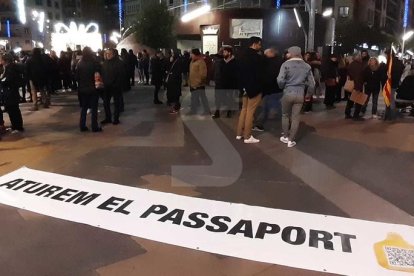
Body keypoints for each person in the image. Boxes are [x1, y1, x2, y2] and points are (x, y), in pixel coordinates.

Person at [277, 46, 315, 148]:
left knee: (285, 115)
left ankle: (285, 136)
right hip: (300, 94)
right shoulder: (307, 66)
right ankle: (291, 140)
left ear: (293, 53)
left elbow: (280, 80)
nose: (287, 54)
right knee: (295, 117)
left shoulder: (285, 64)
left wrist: (283, 86)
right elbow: (312, 84)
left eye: (289, 52)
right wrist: (308, 95)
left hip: (288, 92)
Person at [236, 36, 264, 144]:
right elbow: (260, 74)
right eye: (259, 44)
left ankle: (239, 134)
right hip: (254, 88)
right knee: (250, 112)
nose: (260, 46)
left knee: (244, 110)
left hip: (243, 88)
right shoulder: (257, 58)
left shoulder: (241, 56)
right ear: (255, 44)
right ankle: (247, 136)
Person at [253, 47, 283, 131]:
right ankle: (287, 123)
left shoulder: (270, 63)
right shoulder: (280, 61)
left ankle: (259, 124)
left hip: (270, 89)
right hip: (278, 89)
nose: (264, 56)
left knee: (266, 107)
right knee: (278, 107)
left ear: (271, 53)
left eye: (266, 54)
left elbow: (268, 76)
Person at [75, 47, 102, 132]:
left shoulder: (79, 63)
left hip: (82, 89)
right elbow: (98, 73)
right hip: (93, 88)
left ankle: (82, 125)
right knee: (94, 108)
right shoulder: (94, 62)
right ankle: (94, 126)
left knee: (84, 108)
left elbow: (76, 77)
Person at [0, 53, 24, 133]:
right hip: (11, 92)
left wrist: (2, 81)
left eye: (1, 59)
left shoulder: (10, 68)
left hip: (11, 92)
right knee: (12, 109)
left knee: (14, 110)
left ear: (5, 60)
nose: (1, 61)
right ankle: (15, 125)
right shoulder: (8, 67)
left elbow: (9, 79)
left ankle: (18, 127)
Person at [101, 48, 125, 125]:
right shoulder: (105, 63)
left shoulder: (119, 63)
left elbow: (121, 75)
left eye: (109, 54)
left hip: (115, 86)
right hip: (106, 86)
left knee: (116, 103)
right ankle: (108, 118)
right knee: (105, 102)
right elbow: (103, 74)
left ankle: (116, 118)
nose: (107, 55)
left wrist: (116, 84)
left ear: (113, 54)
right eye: (107, 54)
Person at [188, 48, 210, 115]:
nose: (190, 55)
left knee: (203, 98)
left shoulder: (201, 62)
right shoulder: (192, 61)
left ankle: (207, 111)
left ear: (195, 54)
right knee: (193, 98)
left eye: (191, 53)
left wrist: (199, 83)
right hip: (192, 83)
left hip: (199, 84)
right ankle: (193, 110)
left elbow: (203, 74)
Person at [344, 52, 365, 121]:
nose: (360, 57)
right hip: (357, 85)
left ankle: (347, 113)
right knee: (358, 101)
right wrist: (358, 87)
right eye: (359, 56)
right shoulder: (358, 65)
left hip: (352, 85)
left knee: (351, 100)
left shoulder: (351, 65)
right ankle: (356, 115)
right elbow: (358, 77)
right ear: (355, 57)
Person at [166, 50, 183, 114]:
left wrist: (172, 74)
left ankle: (176, 108)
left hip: (175, 80)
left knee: (176, 94)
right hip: (174, 79)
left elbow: (177, 71)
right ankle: (176, 106)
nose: (172, 54)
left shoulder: (178, 61)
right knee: (175, 93)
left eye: (173, 53)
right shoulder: (175, 60)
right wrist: (170, 62)